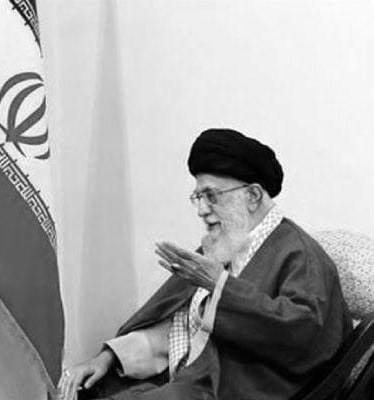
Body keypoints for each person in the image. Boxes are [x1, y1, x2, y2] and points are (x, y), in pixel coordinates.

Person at [59, 129, 352, 400]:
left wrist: (220, 286)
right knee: (81, 387)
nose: (201, 210)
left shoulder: (300, 254)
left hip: (236, 389)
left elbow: (301, 335)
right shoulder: (223, 245)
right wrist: (108, 358)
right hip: (187, 379)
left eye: (211, 196)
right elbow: (179, 325)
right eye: (198, 197)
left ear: (252, 196)